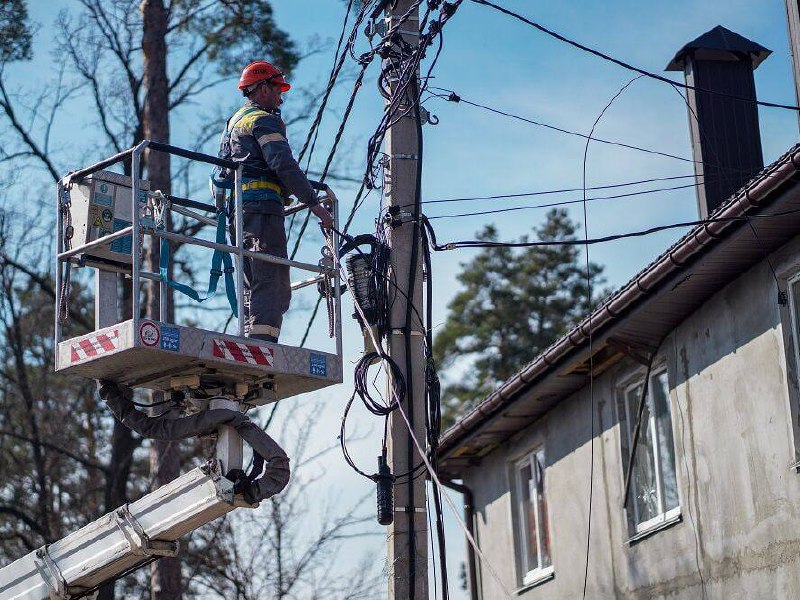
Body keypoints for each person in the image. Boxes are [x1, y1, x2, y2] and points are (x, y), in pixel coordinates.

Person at [214, 61, 333, 342]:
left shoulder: (234, 122)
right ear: (264, 88)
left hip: (239, 213)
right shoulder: (263, 120)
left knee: (253, 281)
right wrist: (314, 204)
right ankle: (263, 346)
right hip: (263, 212)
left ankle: (251, 339)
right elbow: (283, 164)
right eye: (278, 90)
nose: (281, 98)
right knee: (273, 281)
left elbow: (222, 173)